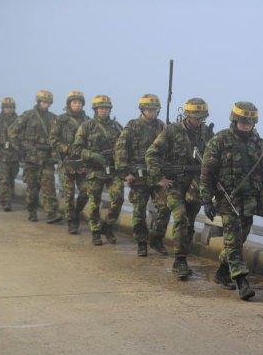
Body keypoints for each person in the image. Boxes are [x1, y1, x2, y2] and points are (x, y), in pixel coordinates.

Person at [200, 101, 263, 300]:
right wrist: (207, 200)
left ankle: (221, 272)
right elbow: (207, 173)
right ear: (234, 120)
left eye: (250, 123)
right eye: (243, 122)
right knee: (234, 242)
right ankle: (241, 282)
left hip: (250, 201)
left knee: (238, 239)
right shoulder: (220, 141)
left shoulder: (258, 143)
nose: (246, 125)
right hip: (228, 201)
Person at [146, 97, 213, 279]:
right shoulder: (172, 131)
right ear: (187, 115)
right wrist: (159, 178)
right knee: (181, 218)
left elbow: (214, 159)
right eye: (195, 116)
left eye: (201, 117)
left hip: (195, 186)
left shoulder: (206, 133)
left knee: (189, 223)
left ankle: (183, 253)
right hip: (174, 184)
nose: (198, 120)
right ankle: (180, 260)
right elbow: (151, 154)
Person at [115, 94, 170, 257]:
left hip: (157, 177)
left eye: (154, 109)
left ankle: (157, 239)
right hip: (138, 177)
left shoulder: (162, 127)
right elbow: (120, 149)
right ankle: (141, 241)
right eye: (148, 109)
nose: (152, 112)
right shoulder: (132, 126)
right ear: (142, 110)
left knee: (165, 208)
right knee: (139, 211)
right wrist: (125, 173)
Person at [73, 95, 123, 244]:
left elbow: (123, 146)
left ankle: (108, 226)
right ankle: (95, 230)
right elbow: (76, 148)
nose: (104, 110)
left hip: (112, 170)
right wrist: (92, 155)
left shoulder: (117, 126)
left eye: (106, 108)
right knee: (94, 202)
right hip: (94, 170)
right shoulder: (87, 126)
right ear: (95, 109)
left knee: (119, 198)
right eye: (101, 108)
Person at [8, 90, 62, 223]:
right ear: (38, 102)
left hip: (47, 158)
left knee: (49, 186)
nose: (46, 104)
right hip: (31, 158)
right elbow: (12, 131)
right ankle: (32, 210)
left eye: (48, 102)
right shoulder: (28, 115)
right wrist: (19, 148)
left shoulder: (54, 118)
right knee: (32, 187)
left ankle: (51, 213)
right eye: (44, 102)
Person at [50, 91, 90, 234]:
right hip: (66, 163)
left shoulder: (88, 121)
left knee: (86, 191)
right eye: (74, 102)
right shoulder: (61, 120)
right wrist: (66, 148)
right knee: (68, 194)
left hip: (82, 164)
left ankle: (75, 213)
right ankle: (72, 223)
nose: (77, 105)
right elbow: (53, 139)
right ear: (69, 104)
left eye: (79, 102)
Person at [0, 97, 20, 211]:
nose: (9, 109)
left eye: (11, 107)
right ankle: (6, 202)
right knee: (4, 179)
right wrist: (3, 142)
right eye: (6, 107)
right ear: (2, 108)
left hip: (15, 156)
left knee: (11, 179)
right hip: (1, 155)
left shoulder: (19, 119)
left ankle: (9, 198)